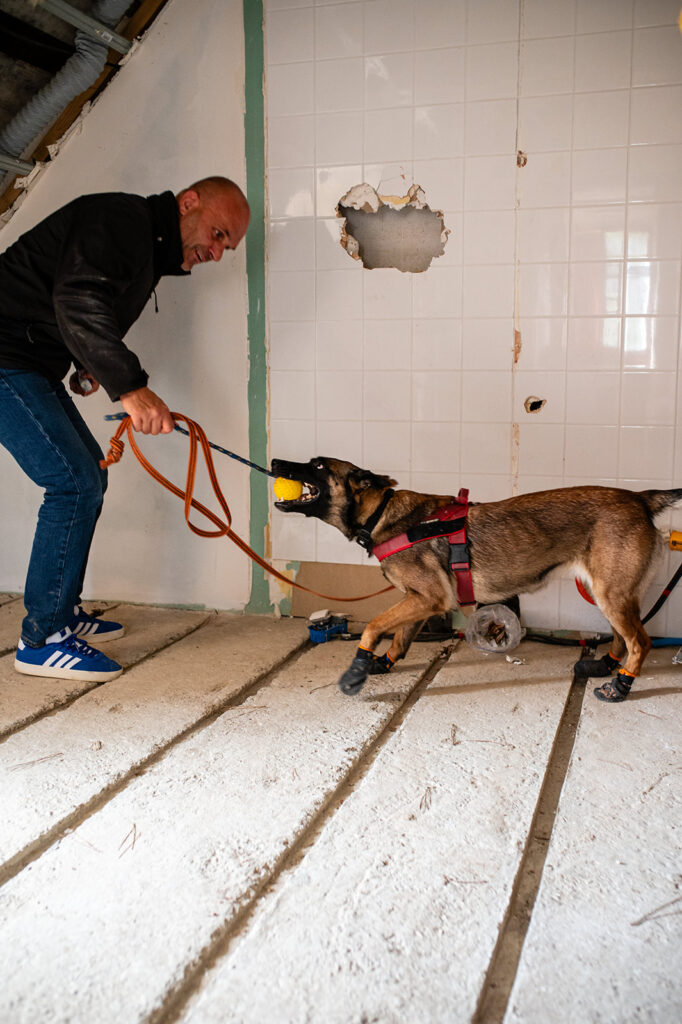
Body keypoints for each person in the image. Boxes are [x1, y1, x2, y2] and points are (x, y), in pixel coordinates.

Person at [0, 176, 250, 682]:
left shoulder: (145, 249)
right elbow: (78, 298)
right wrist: (131, 389)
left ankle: (60, 611)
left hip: (25, 360)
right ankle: (43, 639)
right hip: (5, 356)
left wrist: (89, 366)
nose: (218, 253)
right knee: (73, 483)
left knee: (86, 473)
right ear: (189, 203)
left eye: (228, 245)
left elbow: (74, 299)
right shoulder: (122, 219)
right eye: (220, 235)